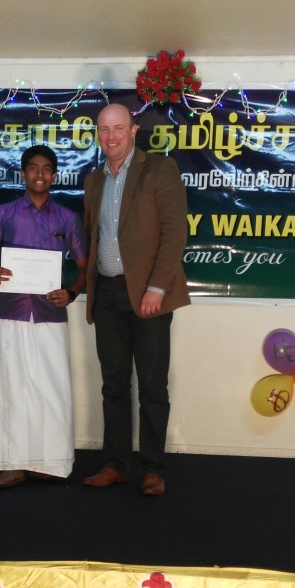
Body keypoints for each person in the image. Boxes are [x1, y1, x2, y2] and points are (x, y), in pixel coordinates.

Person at [81, 103, 189, 497]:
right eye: (104, 129)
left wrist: (157, 287)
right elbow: (92, 238)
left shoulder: (158, 169)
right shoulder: (94, 180)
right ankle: (115, 464)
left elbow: (174, 233)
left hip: (149, 296)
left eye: (118, 128)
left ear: (133, 130)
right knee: (113, 385)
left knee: (152, 386)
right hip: (107, 294)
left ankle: (154, 469)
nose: (110, 136)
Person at [0, 145, 87, 489]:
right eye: (33, 168)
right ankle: (10, 463)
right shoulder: (4, 213)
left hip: (50, 314)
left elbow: (85, 267)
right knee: (9, 387)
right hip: (10, 312)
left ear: (55, 175)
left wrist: (71, 293)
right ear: (23, 173)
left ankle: (49, 462)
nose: (40, 174)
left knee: (52, 387)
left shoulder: (68, 218)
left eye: (47, 168)